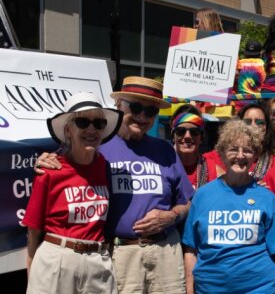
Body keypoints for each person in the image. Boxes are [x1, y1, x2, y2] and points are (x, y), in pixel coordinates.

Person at [36, 77, 195, 293]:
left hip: (165, 251)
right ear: (119, 106)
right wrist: (44, 159)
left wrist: (171, 216)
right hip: (120, 254)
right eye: (136, 107)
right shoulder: (96, 145)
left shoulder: (166, 150)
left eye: (151, 111)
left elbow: (186, 202)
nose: (142, 116)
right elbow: (63, 165)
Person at [24, 92, 122, 294]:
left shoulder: (104, 166)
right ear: (68, 129)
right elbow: (33, 233)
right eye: (83, 122)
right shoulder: (49, 171)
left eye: (99, 124)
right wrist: (32, 277)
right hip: (57, 260)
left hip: (97, 261)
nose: (91, 129)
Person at [182, 119, 275, 294]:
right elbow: (190, 249)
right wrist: (189, 290)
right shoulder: (202, 196)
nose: (240, 156)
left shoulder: (267, 198)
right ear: (222, 153)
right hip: (210, 289)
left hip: (261, 289)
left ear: (255, 156)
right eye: (233, 149)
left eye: (247, 150)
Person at [237, 103, 273, 180]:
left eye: (259, 123)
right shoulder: (221, 160)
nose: (253, 126)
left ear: (266, 128)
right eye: (247, 122)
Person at [171, 109, 206, 189]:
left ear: (201, 138)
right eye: (180, 131)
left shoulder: (215, 171)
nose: (187, 136)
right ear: (173, 137)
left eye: (194, 132)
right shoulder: (161, 167)